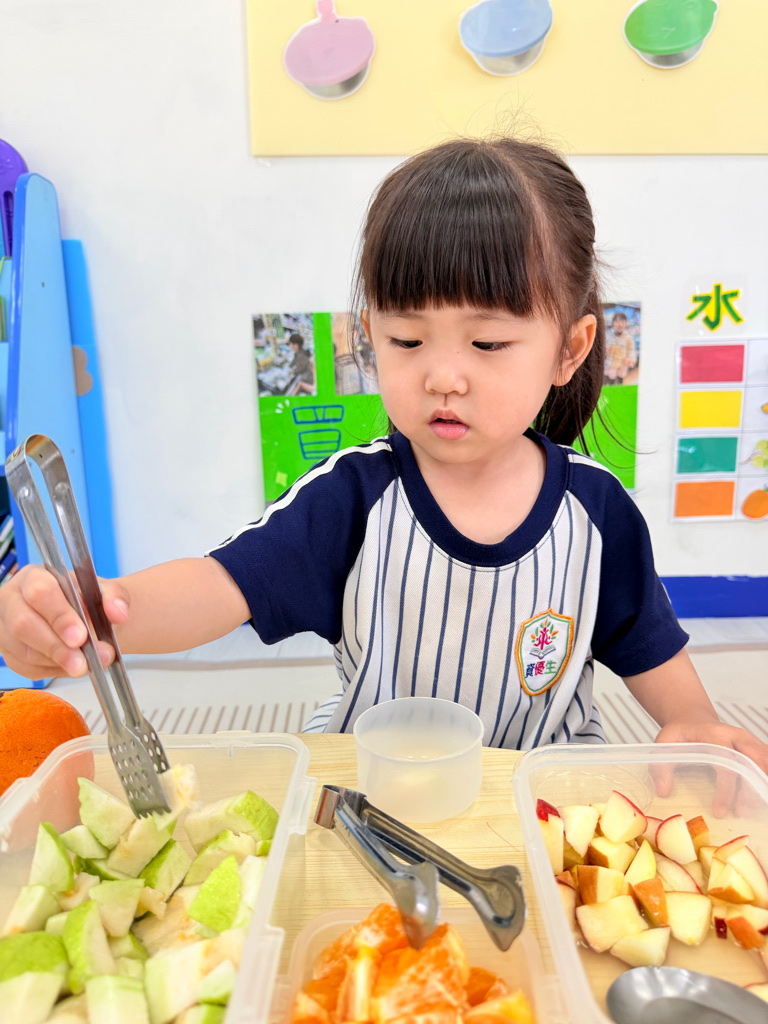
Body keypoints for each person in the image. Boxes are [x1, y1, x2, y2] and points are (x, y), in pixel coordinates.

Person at [1, 136, 766, 783]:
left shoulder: (596, 513)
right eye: (407, 339)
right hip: (376, 793)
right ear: (371, 335)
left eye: (487, 342)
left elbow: (647, 644)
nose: (443, 375)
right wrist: (95, 608)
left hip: (544, 793)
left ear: (569, 349)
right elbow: (220, 585)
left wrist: (696, 721)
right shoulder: (353, 498)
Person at [603, 311, 637, 385]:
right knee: (610, 379)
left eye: (622, 322)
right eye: (617, 322)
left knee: (620, 379)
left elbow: (631, 350)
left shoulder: (628, 338)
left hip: (622, 363)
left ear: (626, 323)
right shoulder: (608, 335)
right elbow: (604, 347)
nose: (620, 324)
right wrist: (606, 350)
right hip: (611, 363)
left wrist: (630, 360)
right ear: (613, 323)